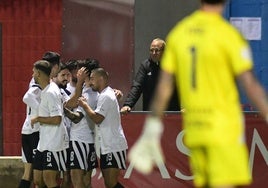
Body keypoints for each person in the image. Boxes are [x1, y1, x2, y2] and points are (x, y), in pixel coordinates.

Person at [129, 0, 268, 188]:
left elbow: (164, 86)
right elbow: (250, 83)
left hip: (196, 127)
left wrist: (151, 127)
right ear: (223, 4)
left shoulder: (180, 33)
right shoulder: (228, 34)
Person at [77, 68, 127, 188]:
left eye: (92, 79)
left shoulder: (106, 96)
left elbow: (97, 118)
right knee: (109, 183)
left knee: (111, 183)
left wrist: (84, 105)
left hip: (113, 145)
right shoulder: (104, 94)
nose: (90, 82)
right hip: (107, 145)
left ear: (101, 79)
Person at [31, 60, 69, 188]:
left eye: (34, 73)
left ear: (39, 74)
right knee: (37, 179)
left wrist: (38, 119)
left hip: (54, 142)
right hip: (44, 142)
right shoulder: (46, 90)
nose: (33, 75)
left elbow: (57, 119)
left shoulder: (51, 92)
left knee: (49, 178)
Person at [64, 59, 100, 188]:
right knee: (86, 181)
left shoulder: (88, 94)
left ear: (85, 72)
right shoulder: (90, 90)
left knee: (77, 179)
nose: (77, 72)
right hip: (89, 140)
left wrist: (62, 110)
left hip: (79, 139)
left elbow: (76, 116)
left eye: (80, 69)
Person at [120, 38, 180, 113]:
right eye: (151, 50)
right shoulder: (145, 66)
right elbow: (137, 86)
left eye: (157, 50)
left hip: (172, 113)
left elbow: (183, 88)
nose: (154, 53)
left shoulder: (173, 65)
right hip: (151, 113)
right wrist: (128, 105)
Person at [18, 81, 41, 188]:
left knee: (28, 174)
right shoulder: (38, 84)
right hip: (34, 131)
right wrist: (43, 111)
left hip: (27, 129)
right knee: (38, 176)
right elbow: (27, 97)